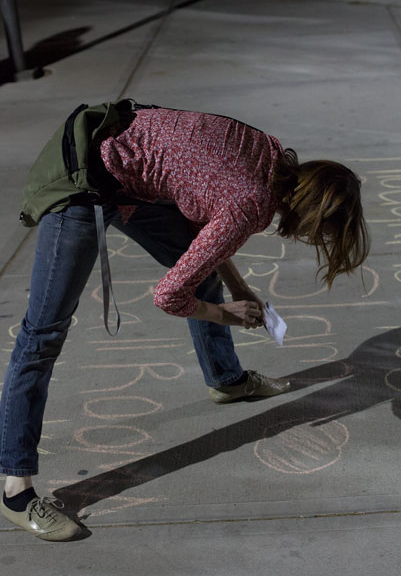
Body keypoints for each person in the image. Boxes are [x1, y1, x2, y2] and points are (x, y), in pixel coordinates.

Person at [0, 101, 369, 541]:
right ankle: (15, 490)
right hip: (84, 182)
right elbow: (169, 296)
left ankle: (227, 380)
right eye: (321, 231)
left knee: (201, 270)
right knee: (42, 334)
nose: (313, 238)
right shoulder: (253, 202)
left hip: (127, 174)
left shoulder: (270, 156)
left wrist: (239, 288)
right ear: (312, 211)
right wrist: (225, 315)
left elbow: (207, 233)